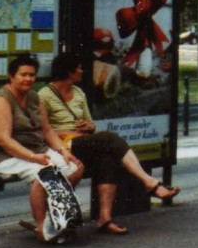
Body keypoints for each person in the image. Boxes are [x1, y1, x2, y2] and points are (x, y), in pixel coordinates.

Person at [38, 52, 179, 236]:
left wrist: (89, 126)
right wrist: (67, 133)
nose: (82, 71)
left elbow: (91, 125)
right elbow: (44, 131)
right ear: (69, 72)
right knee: (110, 139)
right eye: (79, 68)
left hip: (83, 143)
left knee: (108, 159)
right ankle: (149, 182)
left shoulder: (79, 93)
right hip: (62, 147)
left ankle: (105, 219)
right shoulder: (44, 95)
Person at [0, 54, 84, 242]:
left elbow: (48, 130)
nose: (28, 79)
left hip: (35, 150)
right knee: (45, 173)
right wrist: (33, 157)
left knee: (75, 167)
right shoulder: (0, 101)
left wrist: (64, 151)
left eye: (32, 75)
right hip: (2, 156)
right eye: (23, 75)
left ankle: (57, 218)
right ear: (11, 76)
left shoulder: (34, 97)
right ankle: (41, 226)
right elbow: (3, 140)